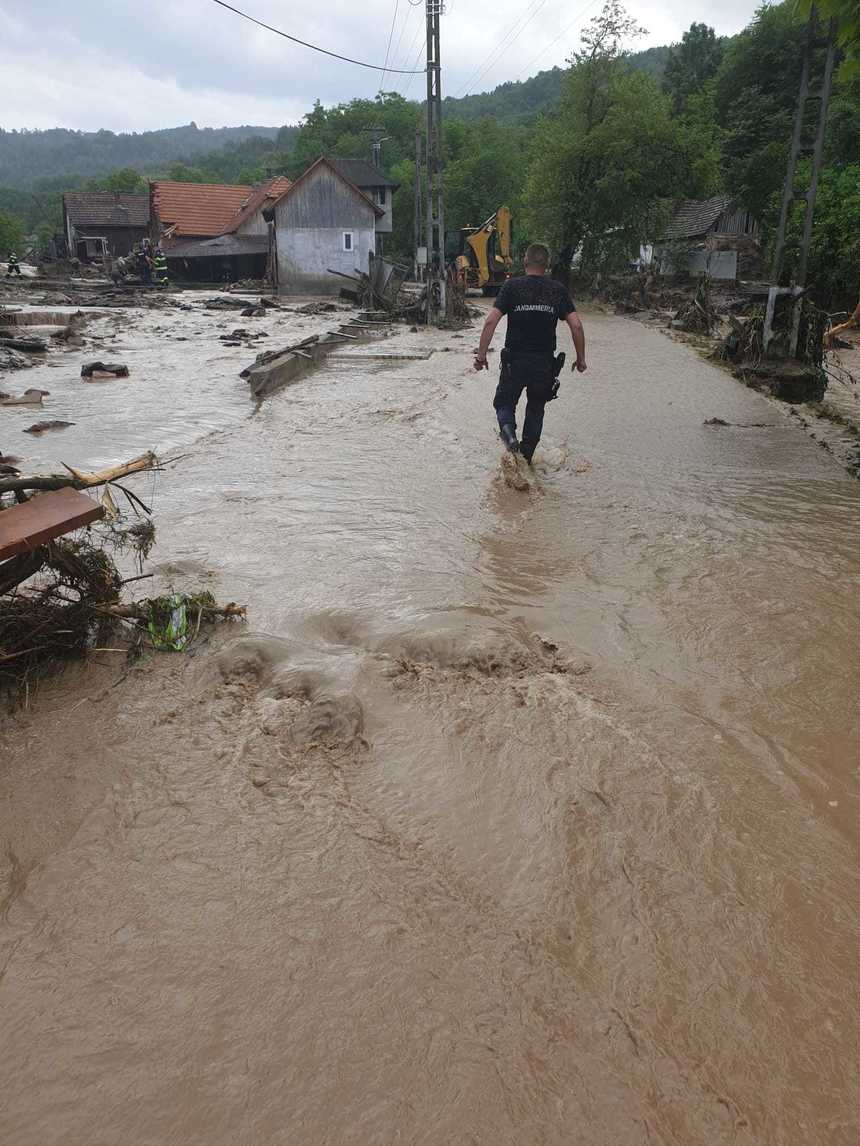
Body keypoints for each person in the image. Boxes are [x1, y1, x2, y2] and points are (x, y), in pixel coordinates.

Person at [474, 242, 587, 463]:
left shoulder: (511, 287)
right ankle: (525, 458)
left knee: (504, 404)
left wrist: (481, 356)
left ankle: (509, 438)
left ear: (525, 262)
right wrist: (580, 359)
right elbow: (576, 326)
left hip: (514, 362)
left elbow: (490, 322)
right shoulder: (557, 290)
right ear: (547, 265)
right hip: (543, 364)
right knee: (536, 408)